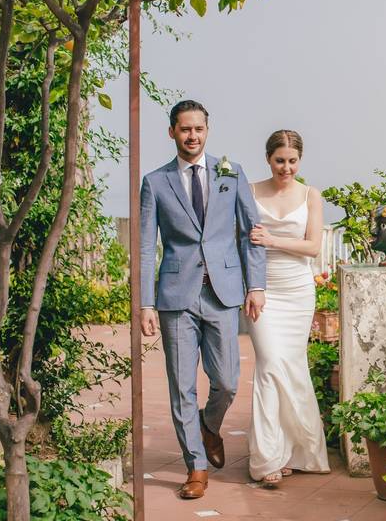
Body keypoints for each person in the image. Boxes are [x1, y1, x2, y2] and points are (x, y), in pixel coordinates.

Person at [139, 100, 267, 499]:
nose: (192, 136)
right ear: (172, 132)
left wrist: (255, 285)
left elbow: (251, 232)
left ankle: (209, 425)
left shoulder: (231, 174)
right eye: (184, 129)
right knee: (181, 387)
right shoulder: (156, 182)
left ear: (207, 131)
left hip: (223, 293)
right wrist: (145, 303)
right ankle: (195, 466)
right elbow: (145, 247)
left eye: (198, 129)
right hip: (176, 297)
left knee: (227, 381)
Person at [246, 129, 330, 484]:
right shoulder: (249, 191)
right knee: (269, 364)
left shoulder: (311, 196)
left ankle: (296, 451)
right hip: (263, 290)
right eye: (280, 160)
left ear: (300, 160)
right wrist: (253, 286)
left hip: (297, 290)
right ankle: (268, 457)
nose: (286, 167)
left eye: (293, 161)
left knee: (292, 366)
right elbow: (244, 241)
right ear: (268, 158)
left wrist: (272, 240)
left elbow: (312, 247)